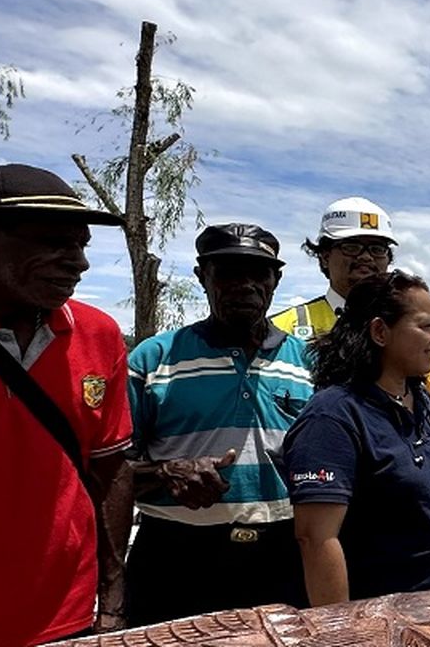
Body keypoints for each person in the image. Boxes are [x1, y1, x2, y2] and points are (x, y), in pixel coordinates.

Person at [125, 223, 313, 625]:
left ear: (275, 279)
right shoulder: (152, 359)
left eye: (257, 272)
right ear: (202, 277)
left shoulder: (310, 363)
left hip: (283, 556)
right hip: (173, 557)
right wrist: (165, 472)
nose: (243, 284)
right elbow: (107, 474)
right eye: (227, 272)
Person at [0, 164, 132, 646]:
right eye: (53, 241)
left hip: (67, 618)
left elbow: (110, 471)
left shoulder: (99, 334)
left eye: (81, 245)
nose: (79, 263)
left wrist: (110, 603)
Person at [284, 272, 430, 605]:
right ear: (380, 331)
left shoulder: (419, 400)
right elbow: (316, 538)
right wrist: (342, 631)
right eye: (426, 326)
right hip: (381, 608)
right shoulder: (332, 417)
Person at [271, 196, 430, 468]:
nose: (365, 257)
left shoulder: (419, 331)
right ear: (324, 256)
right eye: (351, 246)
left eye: (377, 249)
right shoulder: (282, 330)